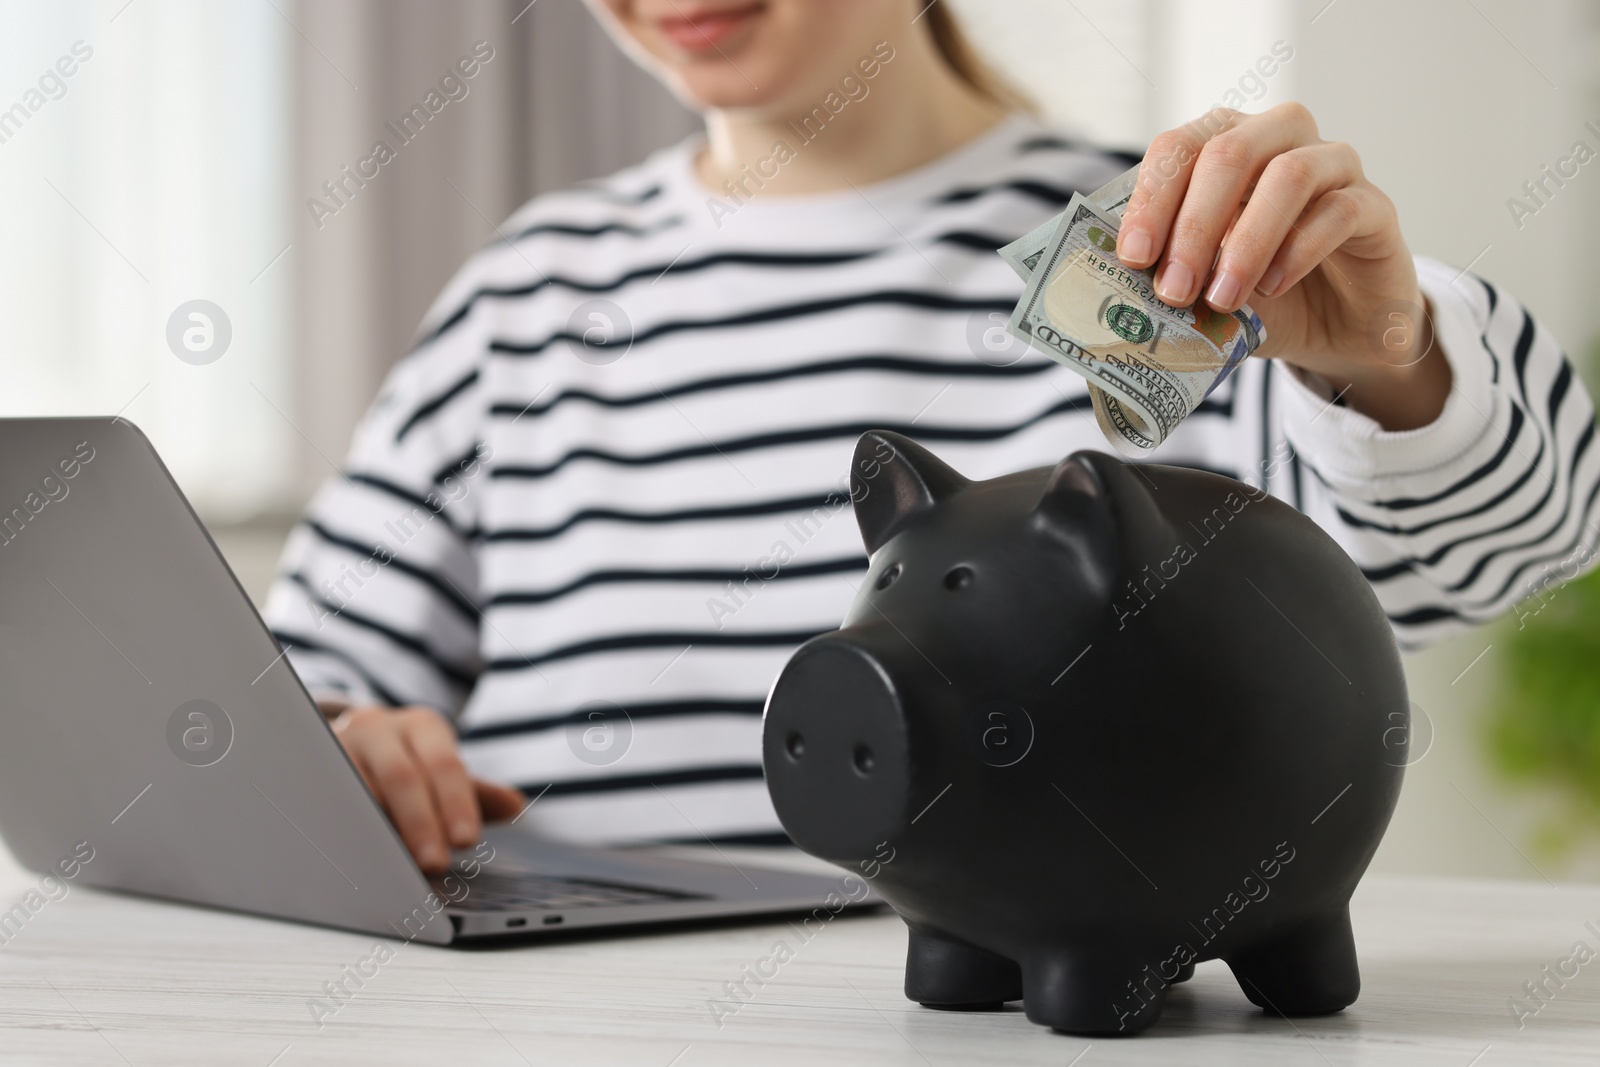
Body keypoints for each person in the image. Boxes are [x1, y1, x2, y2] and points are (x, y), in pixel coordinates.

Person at [263, 0, 1600, 873]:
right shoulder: (529, 292)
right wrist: (335, 747)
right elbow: (296, 696)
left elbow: (1496, 556)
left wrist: (1389, 361)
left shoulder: (1178, 252)